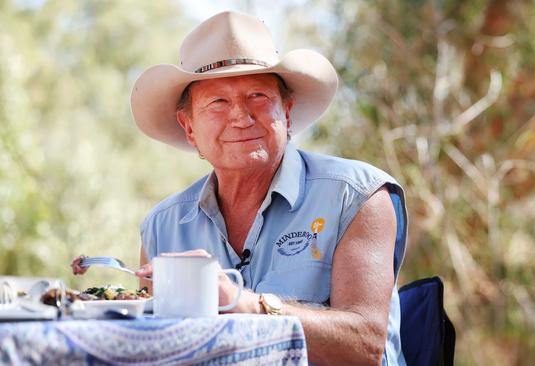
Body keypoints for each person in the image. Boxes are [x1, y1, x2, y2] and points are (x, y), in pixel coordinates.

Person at [71, 11, 407, 365]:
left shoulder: (355, 196)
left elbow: (365, 344)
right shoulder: (162, 226)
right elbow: (158, 348)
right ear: (188, 127)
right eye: (218, 102)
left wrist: (243, 303)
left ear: (287, 112)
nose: (241, 117)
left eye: (258, 96)